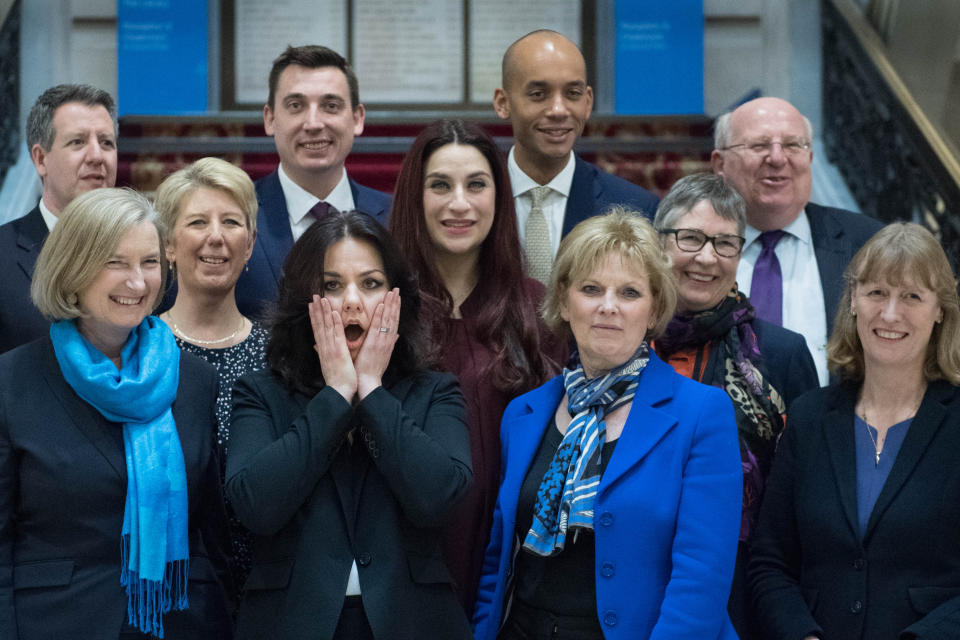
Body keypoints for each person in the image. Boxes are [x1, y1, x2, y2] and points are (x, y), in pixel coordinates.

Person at [474, 209, 742, 639]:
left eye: (630, 292)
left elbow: (701, 577)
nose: (608, 307)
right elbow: (498, 560)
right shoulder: (523, 414)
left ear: (654, 308)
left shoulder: (701, 414)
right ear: (564, 301)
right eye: (591, 289)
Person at [226, 210, 473, 639]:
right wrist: (337, 394)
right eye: (331, 286)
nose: (352, 302)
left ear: (396, 299)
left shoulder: (435, 392)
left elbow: (438, 499)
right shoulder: (260, 392)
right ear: (304, 301)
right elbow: (256, 506)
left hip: (412, 622)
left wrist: (372, 390)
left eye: (371, 283)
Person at [0, 188, 232, 639]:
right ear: (72, 268)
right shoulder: (13, 381)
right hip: (55, 622)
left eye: (148, 262)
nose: (138, 282)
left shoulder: (194, 379)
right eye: (115, 263)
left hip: (180, 623)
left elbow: (212, 531)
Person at [750, 222, 960, 639]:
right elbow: (769, 563)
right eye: (876, 292)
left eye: (912, 296)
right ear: (852, 302)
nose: (890, 313)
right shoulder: (808, 418)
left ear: (940, 311)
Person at [389, 119, 564, 612]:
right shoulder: (386, 310)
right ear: (413, 198)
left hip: (514, 563)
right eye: (440, 185)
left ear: (498, 197)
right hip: (409, 559)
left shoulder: (537, 310)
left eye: (477, 185)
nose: (459, 204)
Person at [651, 173, 818, 639]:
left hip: (744, 590)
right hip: (633, 575)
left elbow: (805, 495)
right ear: (659, 243)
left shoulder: (782, 354)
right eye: (691, 238)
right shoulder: (624, 347)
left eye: (725, 244)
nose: (707, 257)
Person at [154, 157, 268, 596]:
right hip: (170, 594)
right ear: (168, 242)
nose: (216, 237)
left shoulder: (280, 356)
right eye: (198, 222)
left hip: (267, 593)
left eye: (232, 223)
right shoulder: (137, 351)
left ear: (252, 242)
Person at [712, 97, 883, 385]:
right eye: (759, 145)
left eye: (793, 145)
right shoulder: (687, 249)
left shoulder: (869, 245)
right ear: (720, 164)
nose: (778, 158)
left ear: (810, 159)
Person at [233, 44, 392, 319]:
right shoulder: (235, 217)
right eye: (296, 106)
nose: (314, 123)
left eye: (331, 106)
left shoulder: (396, 217)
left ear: (357, 118)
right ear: (270, 118)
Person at [493, 30, 659, 283]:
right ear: (503, 103)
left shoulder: (634, 208)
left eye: (572, 94)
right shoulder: (472, 202)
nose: (559, 110)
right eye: (538, 94)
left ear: (588, 102)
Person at [0, 83, 118, 353]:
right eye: (78, 142)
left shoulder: (146, 257)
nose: (97, 156)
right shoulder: (3, 255)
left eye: (106, 143)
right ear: (41, 159)